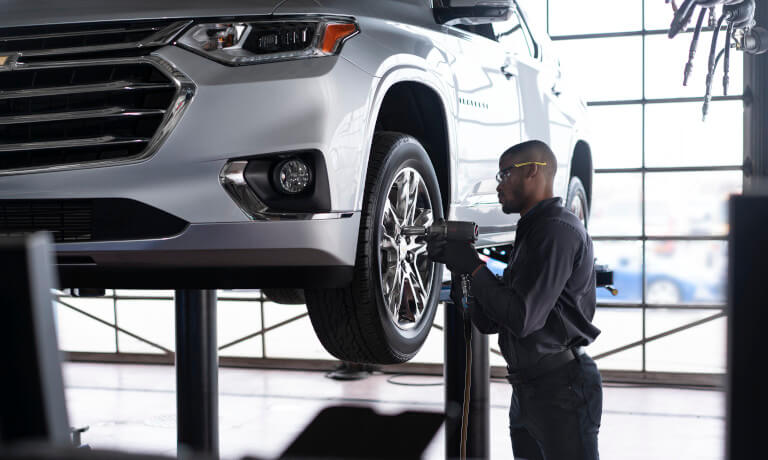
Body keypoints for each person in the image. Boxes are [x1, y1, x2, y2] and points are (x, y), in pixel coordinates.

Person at [427, 140, 603, 460]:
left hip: (561, 389)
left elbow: (523, 319)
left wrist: (474, 266)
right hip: (528, 389)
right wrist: (462, 272)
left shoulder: (556, 230)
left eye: (504, 174)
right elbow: (490, 322)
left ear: (533, 171)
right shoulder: (531, 231)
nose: (498, 185)